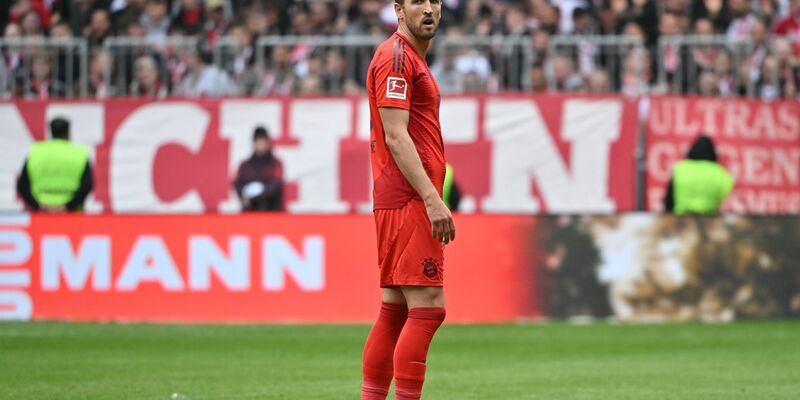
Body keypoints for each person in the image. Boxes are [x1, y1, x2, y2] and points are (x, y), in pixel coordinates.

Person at [362, 1, 453, 400]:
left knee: (395, 310)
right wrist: (432, 199)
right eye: (417, 1)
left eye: (434, 0)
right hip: (408, 200)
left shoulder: (408, 57)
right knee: (429, 306)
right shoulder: (397, 58)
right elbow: (396, 135)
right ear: (399, 9)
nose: (429, 8)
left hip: (399, 197)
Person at [16, 117, 94, 212]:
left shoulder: (36, 151)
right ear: (68, 133)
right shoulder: (79, 153)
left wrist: (37, 205)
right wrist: (67, 206)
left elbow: (22, 185)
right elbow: (87, 185)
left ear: (51, 132)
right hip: (72, 215)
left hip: (41, 214)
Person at [664, 135, 734, 214]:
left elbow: (669, 201)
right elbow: (728, 204)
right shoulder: (721, 174)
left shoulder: (680, 169)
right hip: (709, 221)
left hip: (682, 221)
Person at [233, 126, 284, 211]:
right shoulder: (245, 165)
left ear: (268, 142)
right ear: (253, 143)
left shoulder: (275, 163)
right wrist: (244, 194)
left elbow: (276, 184)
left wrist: (257, 193)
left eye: (263, 140)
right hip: (250, 211)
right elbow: (238, 183)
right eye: (258, 140)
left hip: (271, 211)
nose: (260, 143)